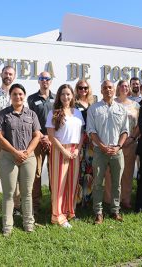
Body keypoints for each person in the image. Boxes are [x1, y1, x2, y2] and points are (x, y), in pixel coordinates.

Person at [0, 83, 41, 236]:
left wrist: (27, 152)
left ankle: (29, 224)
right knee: (8, 193)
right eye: (14, 94)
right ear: (11, 96)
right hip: (8, 157)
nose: (18, 97)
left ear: (24, 96)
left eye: (20, 94)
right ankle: (7, 226)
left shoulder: (31, 114)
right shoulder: (3, 114)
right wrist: (15, 152)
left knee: (27, 193)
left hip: (28, 157)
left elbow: (37, 135)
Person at [86, 80, 128, 224]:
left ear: (114, 89)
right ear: (101, 90)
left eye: (110, 87)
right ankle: (98, 212)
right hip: (100, 151)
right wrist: (102, 146)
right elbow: (91, 131)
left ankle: (115, 211)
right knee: (98, 183)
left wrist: (118, 146)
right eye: (105, 88)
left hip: (117, 151)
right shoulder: (94, 109)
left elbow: (125, 131)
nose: (108, 90)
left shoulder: (121, 109)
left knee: (117, 183)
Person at [46, 84, 85, 228]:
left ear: (72, 96)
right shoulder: (53, 113)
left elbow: (81, 133)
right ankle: (58, 216)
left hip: (74, 151)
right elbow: (51, 136)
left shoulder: (77, 113)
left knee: (72, 183)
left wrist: (77, 149)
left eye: (68, 94)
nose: (66, 97)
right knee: (59, 184)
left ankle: (70, 212)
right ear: (59, 96)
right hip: (59, 151)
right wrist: (63, 151)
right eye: (63, 94)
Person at [0, 65, 21, 218]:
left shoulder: (18, 95)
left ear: (14, 76)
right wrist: (1, 136)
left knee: (16, 175)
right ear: (1, 74)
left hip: (15, 144)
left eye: (11, 74)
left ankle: (17, 206)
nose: (8, 76)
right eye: (6, 73)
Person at [104, 80, 140, 209]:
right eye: (122, 86)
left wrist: (131, 138)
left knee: (127, 173)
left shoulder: (136, 105)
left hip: (130, 144)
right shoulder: (111, 103)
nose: (124, 88)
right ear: (118, 88)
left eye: (127, 86)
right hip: (113, 143)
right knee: (110, 173)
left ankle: (125, 199)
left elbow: (139, 124)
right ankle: (110, 200)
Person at [27, 71, 55, 217]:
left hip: (53, 140)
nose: (45, 81)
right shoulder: (31, 99)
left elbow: (59, 121)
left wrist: (50, 137)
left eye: (47, 79)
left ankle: (54, 203)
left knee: (53, 172)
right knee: (36, 173)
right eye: (42, 78)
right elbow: (30, 119)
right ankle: (35, 205)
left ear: (51, 81)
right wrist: (41, 136)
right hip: (37, 140)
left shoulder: (56, 98)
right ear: (38, 81)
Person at [74, 79, 95, 206]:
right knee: (79, 171)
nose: (83, 90)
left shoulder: (93, 104)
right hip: (79, 140)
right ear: (77, 89)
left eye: (85, 88)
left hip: (91, 141)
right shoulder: (74, 104)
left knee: (89, 171)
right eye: (80, 88)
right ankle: (77, 199)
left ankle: (87, 199)